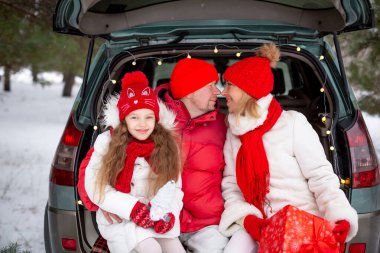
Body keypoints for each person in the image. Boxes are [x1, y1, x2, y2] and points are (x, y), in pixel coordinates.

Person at [218, 43, 358, 253]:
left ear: (248, 90)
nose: (223, 91)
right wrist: (248, 220)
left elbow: (320, 176)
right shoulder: (234, 132)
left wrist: (339, 216)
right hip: (260, 225)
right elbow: (231, 186)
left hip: (300, 222)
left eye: (229, 85)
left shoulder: (292, 124)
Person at [82, 71, 185, 253]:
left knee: (175, 249)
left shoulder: (168, 146)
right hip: (121, 218)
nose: (142, 124)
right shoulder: (107, 142)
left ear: (156, 119)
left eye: (148, 117)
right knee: (150, 248)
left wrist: (169, 215)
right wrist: (132, 209)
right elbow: (95, 187)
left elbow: (174, 188)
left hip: (155, 216)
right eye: (134, 117)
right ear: (124, 120)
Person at [156, 58, 229, 253]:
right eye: (211, 86)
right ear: (190, 91)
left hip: (207, 225)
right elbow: (104, 158)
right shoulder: (150, 120)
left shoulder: (225, 125)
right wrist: (103, 203)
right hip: (160, 220)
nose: (219, 91)